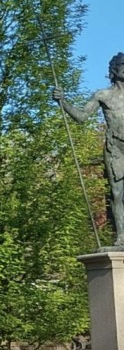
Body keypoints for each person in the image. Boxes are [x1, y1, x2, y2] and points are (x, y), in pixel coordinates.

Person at [54, 52, 124, 244]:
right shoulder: (103, 95)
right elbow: (82, 117)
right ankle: (121, 236)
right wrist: (63, 102)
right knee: (117, 193)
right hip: (116, 147)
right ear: (114, 70)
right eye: (123, 64)